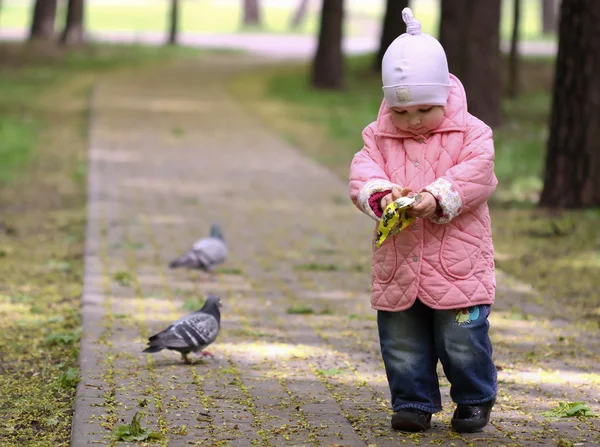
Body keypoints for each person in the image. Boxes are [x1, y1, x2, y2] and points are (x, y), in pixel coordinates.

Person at [349, 7, 498, 433]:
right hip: (399, 263)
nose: (412, 122)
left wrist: (437, 196)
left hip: (458, 263)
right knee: (401, 340)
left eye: (425, 110)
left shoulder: (472, 133)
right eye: (401, 113)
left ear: (445, 97)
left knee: (462, 339)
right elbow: (363, 171)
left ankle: (473, 398)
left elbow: (478, 174)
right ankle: (412, 400)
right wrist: (381, 194)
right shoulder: (377, 136)